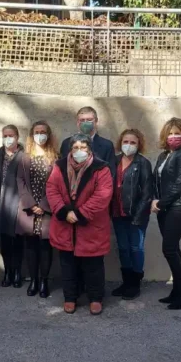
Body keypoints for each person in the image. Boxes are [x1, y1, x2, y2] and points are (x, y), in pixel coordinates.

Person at [47, 134, 113, 315]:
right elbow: (52, 189)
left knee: (94, 266)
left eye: (83, 147)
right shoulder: (59, 166)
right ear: (70, 150)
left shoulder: (101, 168)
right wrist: (64, 212)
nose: (79, 151)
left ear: (90, 149)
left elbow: (103, 195)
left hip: (91, 225)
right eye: (75, 147)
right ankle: (70, 297)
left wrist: (80, 214)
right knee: (68, 266)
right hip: (65, 226)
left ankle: (95, 298)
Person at [151, 118, 181, 310]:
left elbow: (180, 185)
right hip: (164, 208)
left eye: (177, 133)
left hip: (179, 207)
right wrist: (155, 200)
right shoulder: (163, 156)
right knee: (174, 248)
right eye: (170, 133)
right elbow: (156, 180)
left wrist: (160, 203)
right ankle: (177, 290)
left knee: (168, 248)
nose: (173, 136)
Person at [16, 121, 58, 298]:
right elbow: (20, 181)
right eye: (37, 132)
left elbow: (57, 183)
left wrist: (43, 205)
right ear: (32, 135)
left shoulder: (55, 157)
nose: (40, 135)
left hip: (47, 209)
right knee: (31, 245)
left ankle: (43, 281)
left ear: (48, 134)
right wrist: (31, 204)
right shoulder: (25, 157)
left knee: (45, 246)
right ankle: (33, 280)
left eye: (43, 132)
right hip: (29, 208)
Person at [110, 129, 153, 301]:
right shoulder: (114, 160)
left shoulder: (143, 163)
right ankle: (126, 282)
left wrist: (138, 216)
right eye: (125, 142)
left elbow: (147, 193)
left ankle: (135, 284)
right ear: (120, 143)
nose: (128, 145)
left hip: (136, 214)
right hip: (117, 212)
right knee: (123, 248)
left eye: (133, 142)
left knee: (136, 248)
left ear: (139, 144)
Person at [0, 125, 25, 288]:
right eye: (5, 136)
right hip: (1, 204)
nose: (8, 139)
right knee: (4, 241)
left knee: (17, 241)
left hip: (18, 203)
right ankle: (8, 271)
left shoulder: (24, 156)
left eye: (11, 135)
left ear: (17, 137)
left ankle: (17, 272)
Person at [59, 106, 116, 174]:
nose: (85, 123)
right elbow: (62, 170)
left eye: (89, 120)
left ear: (96, 121)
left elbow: (111, 172)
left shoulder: (107, 145)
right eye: (82, 120)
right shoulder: (66, 143)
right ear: (77, 122)